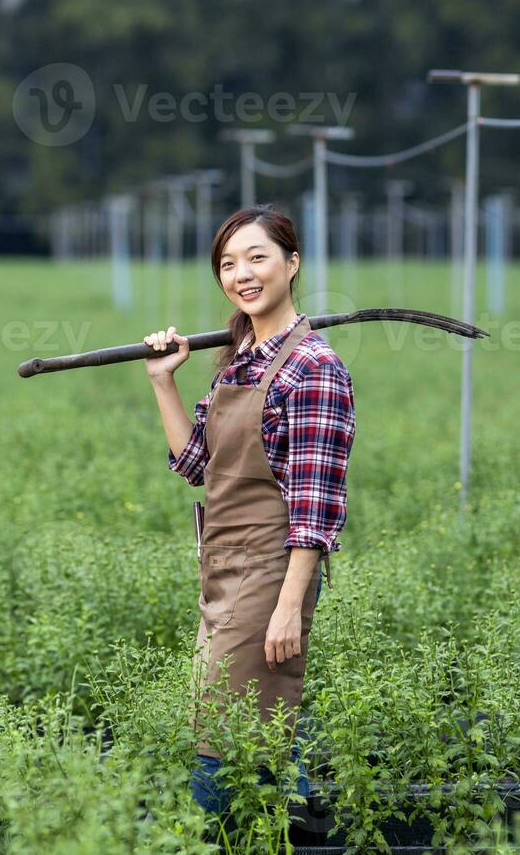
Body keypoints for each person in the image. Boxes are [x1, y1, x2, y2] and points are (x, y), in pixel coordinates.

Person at [143, 207, 355, 817]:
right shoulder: (243, 361)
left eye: (257, 257)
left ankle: (222, 834)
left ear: (292, 264)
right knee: (249, 726)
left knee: (220, 739)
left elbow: (315, 506)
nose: (242, 274)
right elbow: (197, 466)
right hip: (222, 564)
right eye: (228, 263)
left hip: (269, 571)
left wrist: (288, 609)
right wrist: (163, 381)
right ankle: (300, 824)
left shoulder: (314, 369)